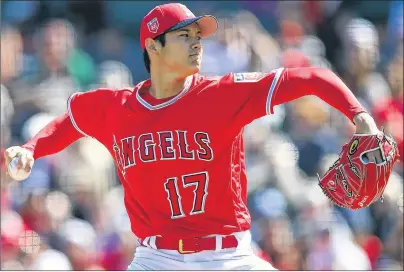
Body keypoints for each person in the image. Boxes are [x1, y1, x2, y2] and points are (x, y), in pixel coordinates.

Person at [4, 3, 386, 270]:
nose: (196, 42)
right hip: (156, 260)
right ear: (153, 47)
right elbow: (71, 120)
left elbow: (310, 77)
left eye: (197, 35)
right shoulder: (116, 107)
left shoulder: (220, 94)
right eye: (184, 36)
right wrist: (31, 149)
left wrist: (360, 115)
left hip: (228, 258)